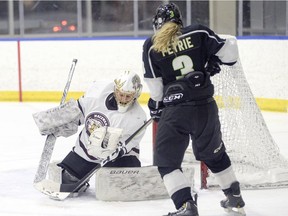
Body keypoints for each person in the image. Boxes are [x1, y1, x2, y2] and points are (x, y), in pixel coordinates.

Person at [142, 3, 245, 216]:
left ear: (157, 24)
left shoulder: (152, 46)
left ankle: (185, 205)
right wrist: (212, 60)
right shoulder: (198, 31)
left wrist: (155, 108)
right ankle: (234, 195)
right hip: (205, 107)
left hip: (176, 112)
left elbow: (157, 93)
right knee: (214, 154)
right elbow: (231, 54)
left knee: (167, 162)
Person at [34, 71, 147, 195]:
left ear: (135, 94)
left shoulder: (137, 117)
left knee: (120, 188)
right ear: (115, 90)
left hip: (119, 157)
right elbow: (76, 113)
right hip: (86, 149)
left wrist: (116, 151)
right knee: (67, 180)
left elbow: (129, 143)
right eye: (121, 94)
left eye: (128, 96)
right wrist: (56, 120)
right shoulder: (97, 94)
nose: (123, 99)